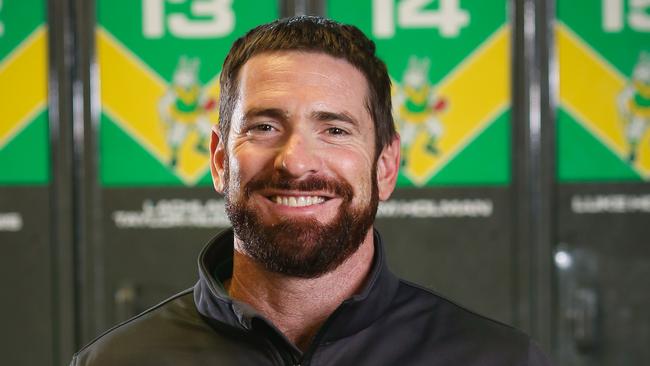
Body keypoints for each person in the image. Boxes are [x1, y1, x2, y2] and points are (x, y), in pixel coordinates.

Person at [70, 16, 552, 365]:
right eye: (263, 126)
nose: (296, 161)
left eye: (335, 130)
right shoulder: (118, 361)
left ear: (386, 166)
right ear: (219, 159)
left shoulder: (497, 358)